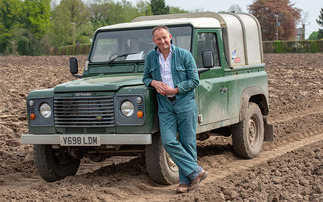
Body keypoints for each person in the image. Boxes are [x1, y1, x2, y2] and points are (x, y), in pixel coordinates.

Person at [142, 25, 208, 193]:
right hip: (165, 106)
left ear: (170, 36)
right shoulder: (151, 57)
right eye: (158, 39)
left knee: (187, 143)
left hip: (185, 103)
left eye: (164, 37)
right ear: (154, 41)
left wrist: (176, 89)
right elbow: (145, 78)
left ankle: (185, 182)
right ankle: (196, 171)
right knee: (169, 141)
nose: (162, 41)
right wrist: (153, 82)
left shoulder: (184, 55)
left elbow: (194, 80)